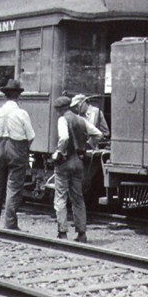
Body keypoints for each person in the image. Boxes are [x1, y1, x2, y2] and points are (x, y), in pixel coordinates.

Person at [52, 95, 102, 242]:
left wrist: (59, 152)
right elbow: (98, 134)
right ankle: (81, 233)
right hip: (79, 163)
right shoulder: (81, 120)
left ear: (61, 109)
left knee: (60, 197)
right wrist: (87, 145)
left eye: (57, 110)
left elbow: (64, 138)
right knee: (78, 198)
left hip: (65, 162)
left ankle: (62, 232)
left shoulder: (62, 119)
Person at [0, 79, 35, 230]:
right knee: (13, 188)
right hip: (16, 148)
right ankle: (10, 224)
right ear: (18, 96)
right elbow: (30, 136)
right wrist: (23, 150)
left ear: (5, 95)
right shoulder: (21, 113)